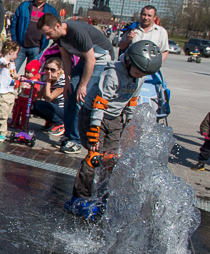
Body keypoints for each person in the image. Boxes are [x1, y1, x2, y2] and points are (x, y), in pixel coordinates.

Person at [66, 40, 161, 216]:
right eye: (138, 72)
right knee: (94, 157)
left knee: (111, 160)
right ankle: (79, 198)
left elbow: (132, 100)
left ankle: (102, 198)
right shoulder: (113, 74)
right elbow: (99, 104)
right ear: (129, 61)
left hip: (115, 117)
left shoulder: (140, 76)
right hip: (94, 114)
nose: (139, 76)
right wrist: (94, 131)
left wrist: (130, 123)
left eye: (143, 74)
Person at [38, 14, 115, 155]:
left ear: (57, 26)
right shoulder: (59, 36)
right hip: (84, 61)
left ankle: (77, 140)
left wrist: (83, 85)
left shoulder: (77, 32)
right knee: (70, 94)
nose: (47, 38)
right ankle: (69, 135)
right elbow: (66, 58)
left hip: (100, 61)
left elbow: (91, 60)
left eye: (48, 34)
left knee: (80, 97)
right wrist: (68, 82)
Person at [10, 0, 59, 73]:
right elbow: (14, 23)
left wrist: (48, 47)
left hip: (37, 48)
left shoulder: (51, 11)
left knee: (30, 75)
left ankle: (26, 88)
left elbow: (56, 29)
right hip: (20, 46)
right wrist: (15, 40)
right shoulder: (24, 6)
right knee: (12, 71)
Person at [0, 41, 20, 141]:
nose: (17, 56)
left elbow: (14, 75)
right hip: (2, 92)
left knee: (5, 114)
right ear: (11, 52)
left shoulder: (13, 64)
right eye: (16, 53)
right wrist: (7, 65)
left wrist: (20, 78)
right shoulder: (2, 60)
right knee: (3, 114)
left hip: (11, 91)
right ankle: (2, 133)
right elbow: (3, 64)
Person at [31, 57, 65, 136]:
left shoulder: (63, 80)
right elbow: (37, 98)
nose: (49, 71)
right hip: (54, 107)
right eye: (47, 68)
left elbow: (48, 99)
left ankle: (60, 123)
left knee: (40, 105)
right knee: (32, 105)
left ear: (59, 70)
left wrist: (48, 82)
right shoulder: (49, 78)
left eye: (52, 69)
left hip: (64, 111)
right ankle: (51, 121)